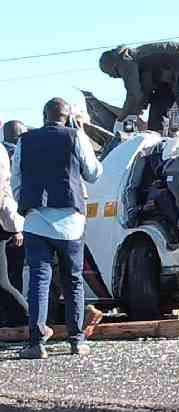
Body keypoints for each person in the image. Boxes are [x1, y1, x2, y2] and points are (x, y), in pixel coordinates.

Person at [11, 98, 103, 359]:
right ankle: (76, 340)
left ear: (44, 116)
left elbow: (16, 179)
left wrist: (26, 203)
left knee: (39, 280)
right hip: (70, 220)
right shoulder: (75, 136)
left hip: (35, 220)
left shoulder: (24, 141)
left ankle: (36, 342)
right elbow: (93, 173)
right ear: (67, 117)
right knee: (73, 279)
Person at [99, 42, 179, 151]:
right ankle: (157, 146)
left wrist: (121, 119)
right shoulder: (139, 66)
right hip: (167, 79)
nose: (112, 77)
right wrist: (130, 123)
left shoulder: (125, 60)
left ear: (113, 65)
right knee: (157, 105)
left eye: (110, 73)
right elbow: (142, 98)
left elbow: (134, 95)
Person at [0, 146, 26, 327]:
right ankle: (30, 318)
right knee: (6, 281)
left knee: (5, 281)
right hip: (7, 225)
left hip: (6, 225)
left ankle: (29, 318)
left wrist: (15, 228)